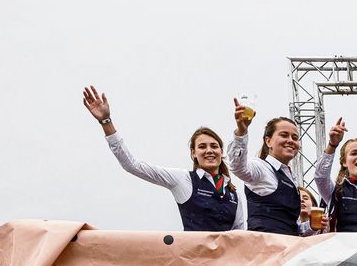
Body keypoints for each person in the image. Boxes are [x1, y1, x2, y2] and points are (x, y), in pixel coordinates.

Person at [81, 86, 244, 232]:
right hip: (193, 262)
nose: (209, 151)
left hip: (225, 265)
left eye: (214, 146)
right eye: (202, 147)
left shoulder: (232, 192)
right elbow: (132, 165)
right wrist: (106, 122)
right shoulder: (183, 180)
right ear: (193, 153)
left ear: (221, 152)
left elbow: (240, 234)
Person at [227, 101, 305, 235]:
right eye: (284, 135)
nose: (291, 140)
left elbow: (291, 225)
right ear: (268, 141)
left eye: (295, 137)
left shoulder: (291, 177)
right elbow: (238, 167)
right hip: (265, 248)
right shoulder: (260, 167)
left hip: (289, 248)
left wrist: (311, 227)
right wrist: (241, 132)